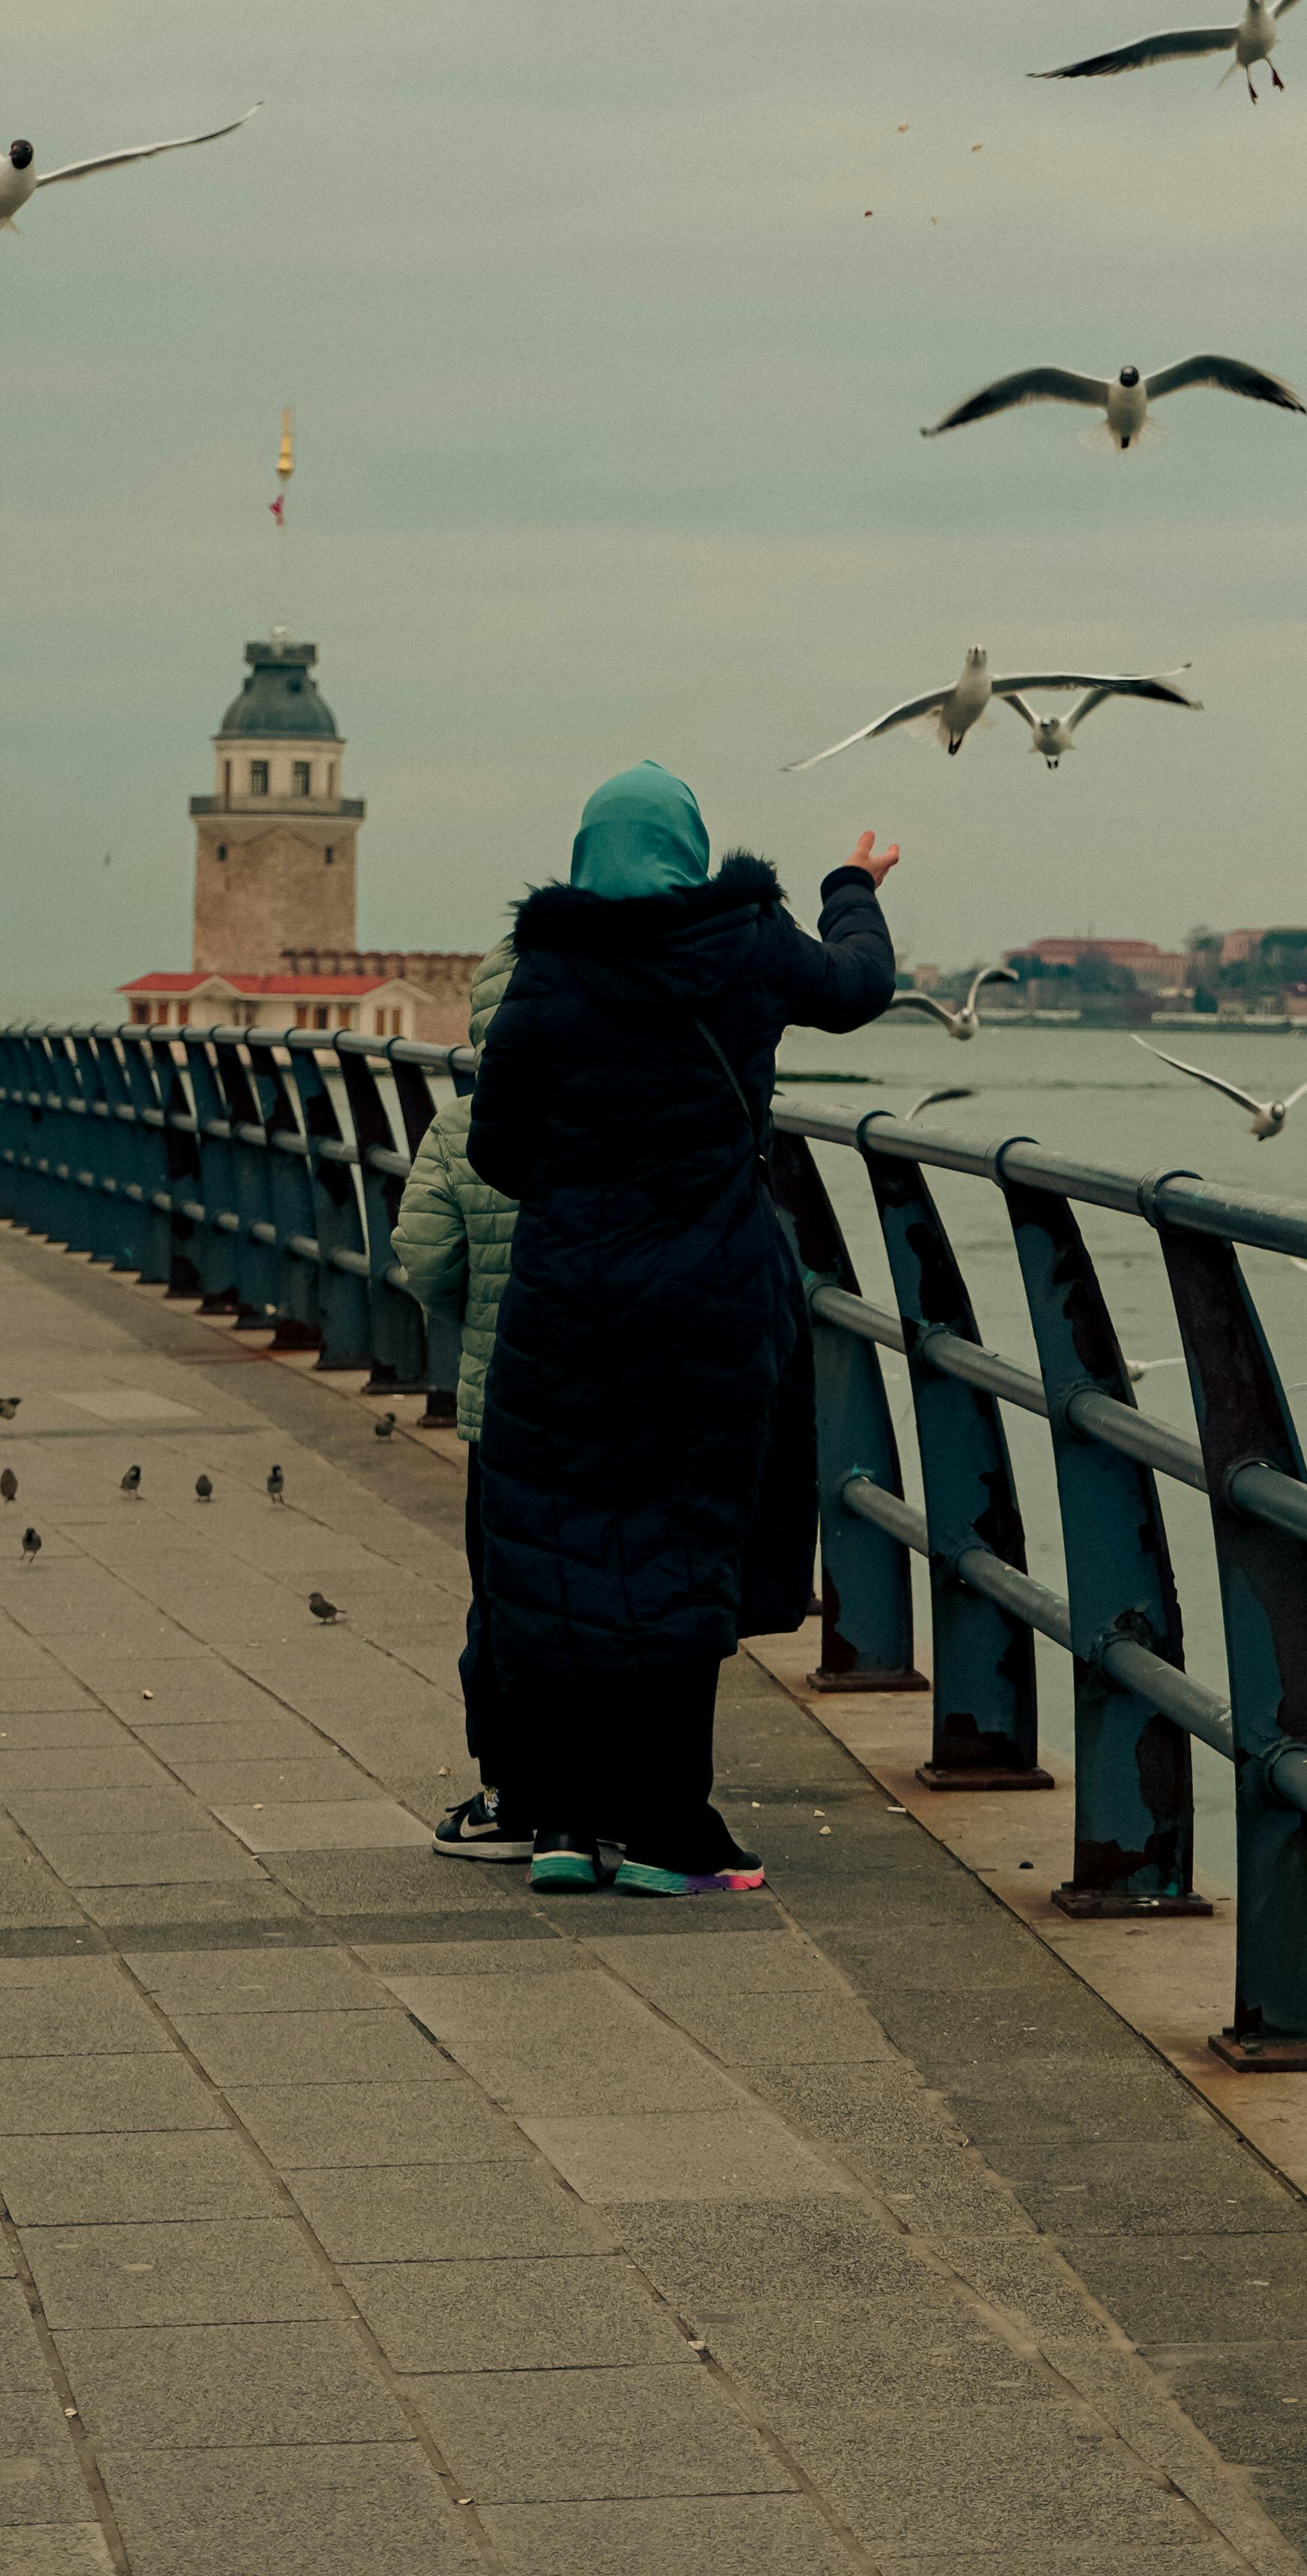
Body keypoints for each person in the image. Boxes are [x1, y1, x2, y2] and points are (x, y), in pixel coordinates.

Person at [467, 758, 897, 1895]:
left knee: (554, 1547)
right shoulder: (749, 944)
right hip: (711, 1302)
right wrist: (851, 883)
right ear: (692, 848)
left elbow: (495, 1146)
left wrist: (584, 1196)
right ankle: (666, 1830)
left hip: (569, 1304)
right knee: (686, 1542)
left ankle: (561, 1821)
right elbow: (856, 988)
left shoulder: (548, 971)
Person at [390, 940, 532, 1862]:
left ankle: (510, 1795)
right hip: (623, 1406)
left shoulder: (462, 1125)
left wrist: (476, 1313)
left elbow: (428, 1261)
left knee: (506, 1598)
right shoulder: (631, 1119)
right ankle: (615, 1797)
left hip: (502, 1402)